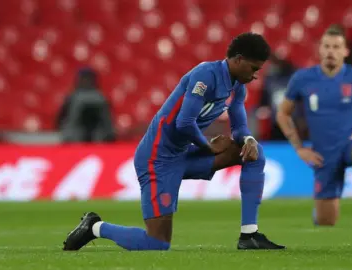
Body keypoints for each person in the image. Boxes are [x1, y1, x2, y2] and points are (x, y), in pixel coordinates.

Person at [62, 33, 285, 251]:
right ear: (238, 59)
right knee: (156, 243)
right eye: (254, 68)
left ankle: (249, 235)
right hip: (157, 159)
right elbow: (184, 122)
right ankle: (96, 227)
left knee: (254, 154)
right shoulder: (205, 75)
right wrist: (208, 146)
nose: (256, 75)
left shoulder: (237, 86)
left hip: (184, 153)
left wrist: (248, 139)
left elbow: (238, 125)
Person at [276, 25, 352, 227]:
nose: (331, 51)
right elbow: (283, 113)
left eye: (336, 47)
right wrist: (299, 149)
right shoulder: (303, 79)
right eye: (327, 46)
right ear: (320, 49)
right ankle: (321, 213)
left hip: (350, 145)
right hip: (323, 155)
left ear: (345, 51)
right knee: (326, 223)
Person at [57, 68, 116, 143]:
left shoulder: (101, 99)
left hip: (98, 135)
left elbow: (107, 121)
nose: (86, 82)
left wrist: (109, 135)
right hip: (75, 135)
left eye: (89, 79)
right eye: (84, 79)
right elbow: (62, 119)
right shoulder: (72, 98)